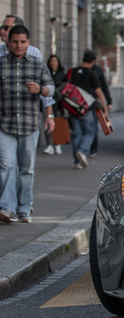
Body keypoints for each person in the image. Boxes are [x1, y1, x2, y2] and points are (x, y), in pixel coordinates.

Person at [0, 25, 55, 223]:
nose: (18, 45)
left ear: (28, 42)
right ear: (8, 42)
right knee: (6, 166)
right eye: (15, 41)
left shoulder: (37, 63)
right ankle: (7, 208)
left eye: (23, 42)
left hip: (30, 124)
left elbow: (51, 88)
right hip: (5, 124)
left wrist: (41, 89)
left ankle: (24, 208)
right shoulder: (1, 64)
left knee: (26, 169)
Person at [0, 15, 56, 150]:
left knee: (26, 168)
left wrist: (49, 115)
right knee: (6, 166)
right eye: (2, 27)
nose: (2, 31)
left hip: (28, 121)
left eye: (6, 28)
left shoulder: (35, 55)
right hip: (4, 121)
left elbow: (48, 87)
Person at [67, 50, 109, 170]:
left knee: (76, 133)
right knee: (89, 131)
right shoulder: (91, 74)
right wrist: (105, 109)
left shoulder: (73, 72)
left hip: (72, 106)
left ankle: (77, 161)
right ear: (93, 61)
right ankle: (82, 150)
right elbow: (99, 92)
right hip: (86, 107)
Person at [84, 50, 112, 158]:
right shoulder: (83, 70)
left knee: (93, 126)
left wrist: (109, 101)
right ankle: (86, 148)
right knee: (89, 127)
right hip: (85, 103)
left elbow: (104, 87)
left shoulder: (98, 71)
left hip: (95, 103)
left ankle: (92, 149)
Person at [43, 55, 67, 155]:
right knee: (48, 121)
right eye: (51, 61)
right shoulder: (46, 73)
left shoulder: (62, 74)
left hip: (58, 102)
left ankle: (58, 144)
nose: (53, 63)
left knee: (58, 122)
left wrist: (57, 91)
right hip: (48, 101)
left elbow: (65, 85)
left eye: (55, 61)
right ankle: (49, 145)